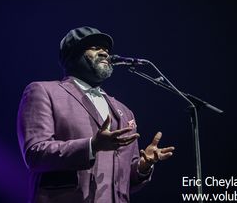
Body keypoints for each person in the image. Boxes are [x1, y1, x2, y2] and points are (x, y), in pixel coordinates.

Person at [17, 26, 175, 203]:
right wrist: (91, 146)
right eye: (95, 47)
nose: (104, 53)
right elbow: (35, 154)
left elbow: (125, 182)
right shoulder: (44, 91)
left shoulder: (124, 111)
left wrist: (142, 167)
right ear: (73, 55)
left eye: (106, 50)